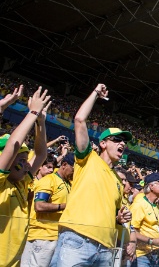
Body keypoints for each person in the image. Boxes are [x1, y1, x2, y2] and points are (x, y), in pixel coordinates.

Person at [51, 84, 132, 267]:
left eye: (124, 142)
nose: (122, 144)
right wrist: (96, 94)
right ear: (103, 143)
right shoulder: (88, 158)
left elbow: (113, 215)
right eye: (117, 140)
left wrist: (119, 219)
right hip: (77, 240)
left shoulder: (119, 180)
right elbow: (79, 119)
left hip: (106, 248)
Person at [0, 86, 50, 267]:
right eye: (21, 159)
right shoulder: (1, 183)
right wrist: (33, 112)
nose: (27, 164)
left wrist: (41, 122)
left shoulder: (20, 183)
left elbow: (41, 154)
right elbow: (13, 144)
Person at [21, 153, 75, 267]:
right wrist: (64, 206)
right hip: (42, 237)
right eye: (73, 169)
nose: (74, 173)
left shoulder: (69, 183)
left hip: (56, 237)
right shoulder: (49, 180)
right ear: (64, 164)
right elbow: (39, 206)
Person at [130, 173, 159, 266]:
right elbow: (131, 230)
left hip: (156, 254)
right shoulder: (139, 204)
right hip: (142, 254)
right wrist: (152, 241)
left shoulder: (157, 206)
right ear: (151, 186)